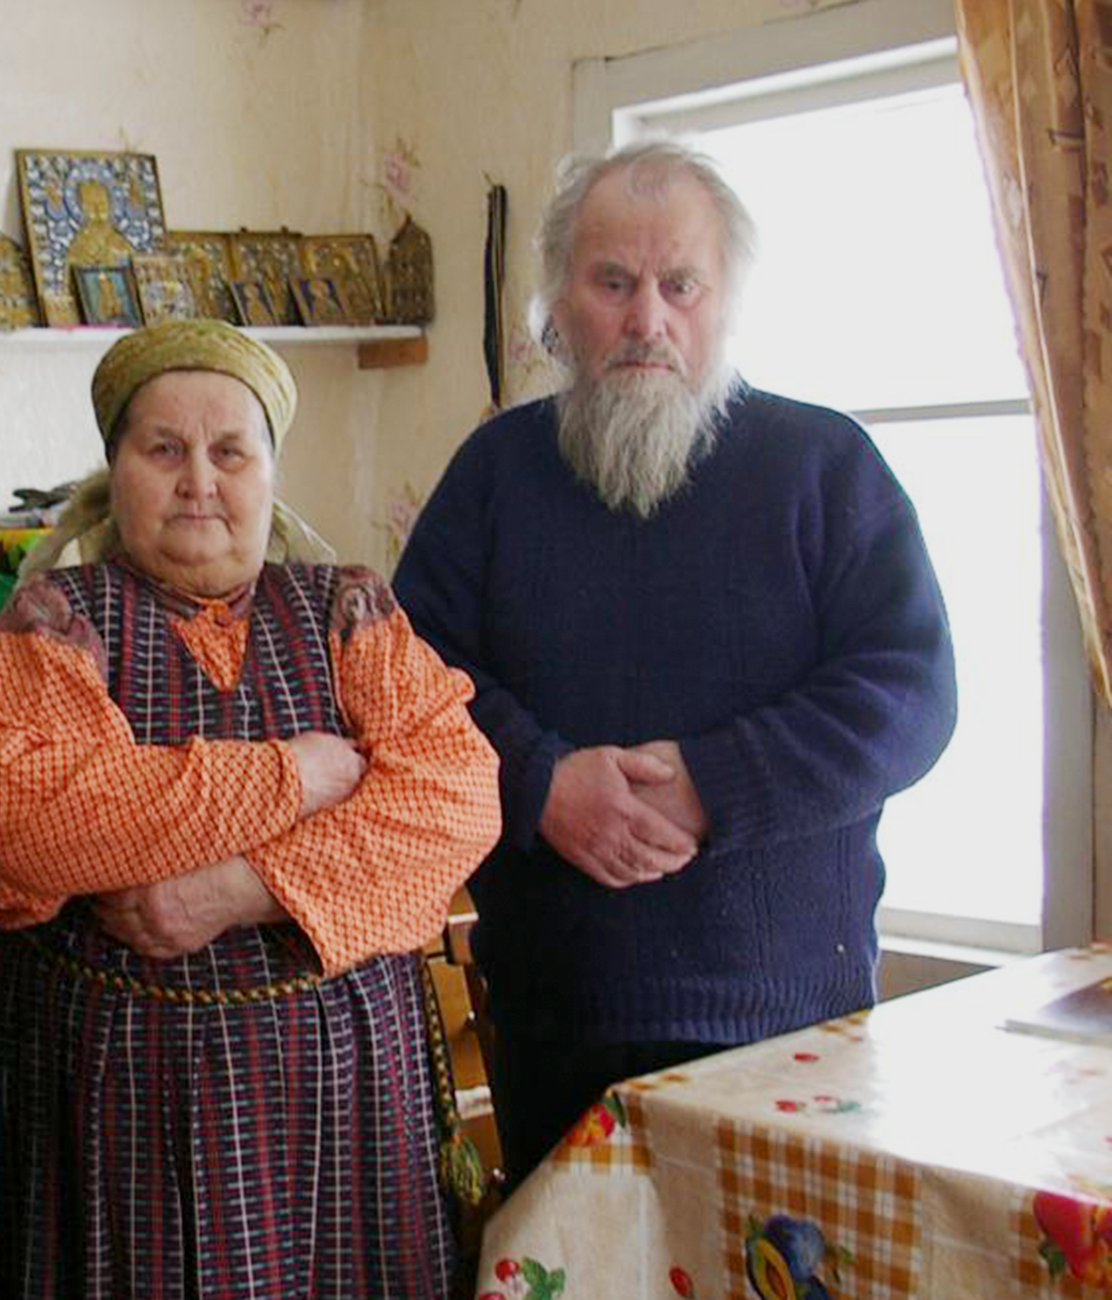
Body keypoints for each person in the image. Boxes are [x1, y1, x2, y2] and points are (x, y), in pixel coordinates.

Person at [393, 141, 958, 1194]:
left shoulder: (824, 467)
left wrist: (714, 783)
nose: (645, 318)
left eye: (678, 284)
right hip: (554, 1021)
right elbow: (407, 679)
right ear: (558, 302)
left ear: (723, 299)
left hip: (791, 1033)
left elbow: (909, 694)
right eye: (612, 282)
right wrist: (540, 781)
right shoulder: (493, 476)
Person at [0, 319, 502, 1297]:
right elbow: (25, 813)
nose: (198, 478)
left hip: (343, 1109)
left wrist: (236, 889)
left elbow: (452, 798)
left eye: (229, 450)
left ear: (271, 473)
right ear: (115, 470)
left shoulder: (348, 608)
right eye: (163, 449)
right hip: (103, 1103)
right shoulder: (53, 619)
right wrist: (296, 776)